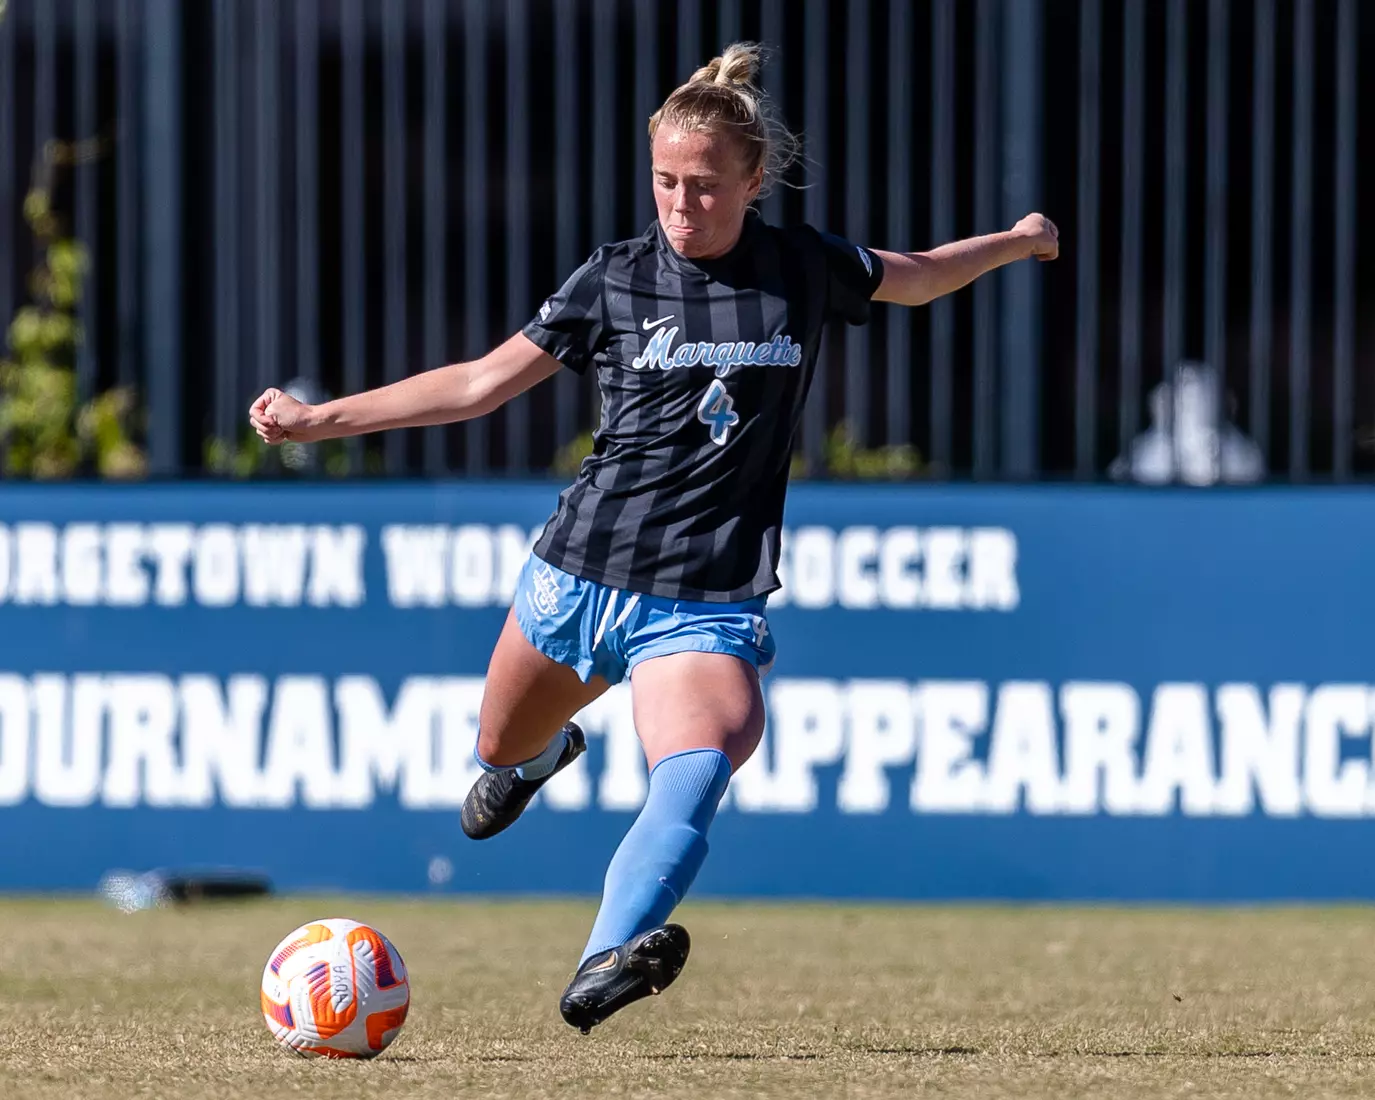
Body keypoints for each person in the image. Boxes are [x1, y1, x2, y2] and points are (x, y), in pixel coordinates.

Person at [250, 42, 1059, 1033]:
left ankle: (605, 958)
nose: (682, 204)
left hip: (705, 597)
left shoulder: (804, 268)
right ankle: (533, 761)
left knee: (698, 764)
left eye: (706, 186)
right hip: (579, 573)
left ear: (754, 181)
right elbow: (475, 383)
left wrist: (1017, 241)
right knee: (499, 741)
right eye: (666, 181)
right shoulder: (615, 280)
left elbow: (922, 276)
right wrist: (316, 419)